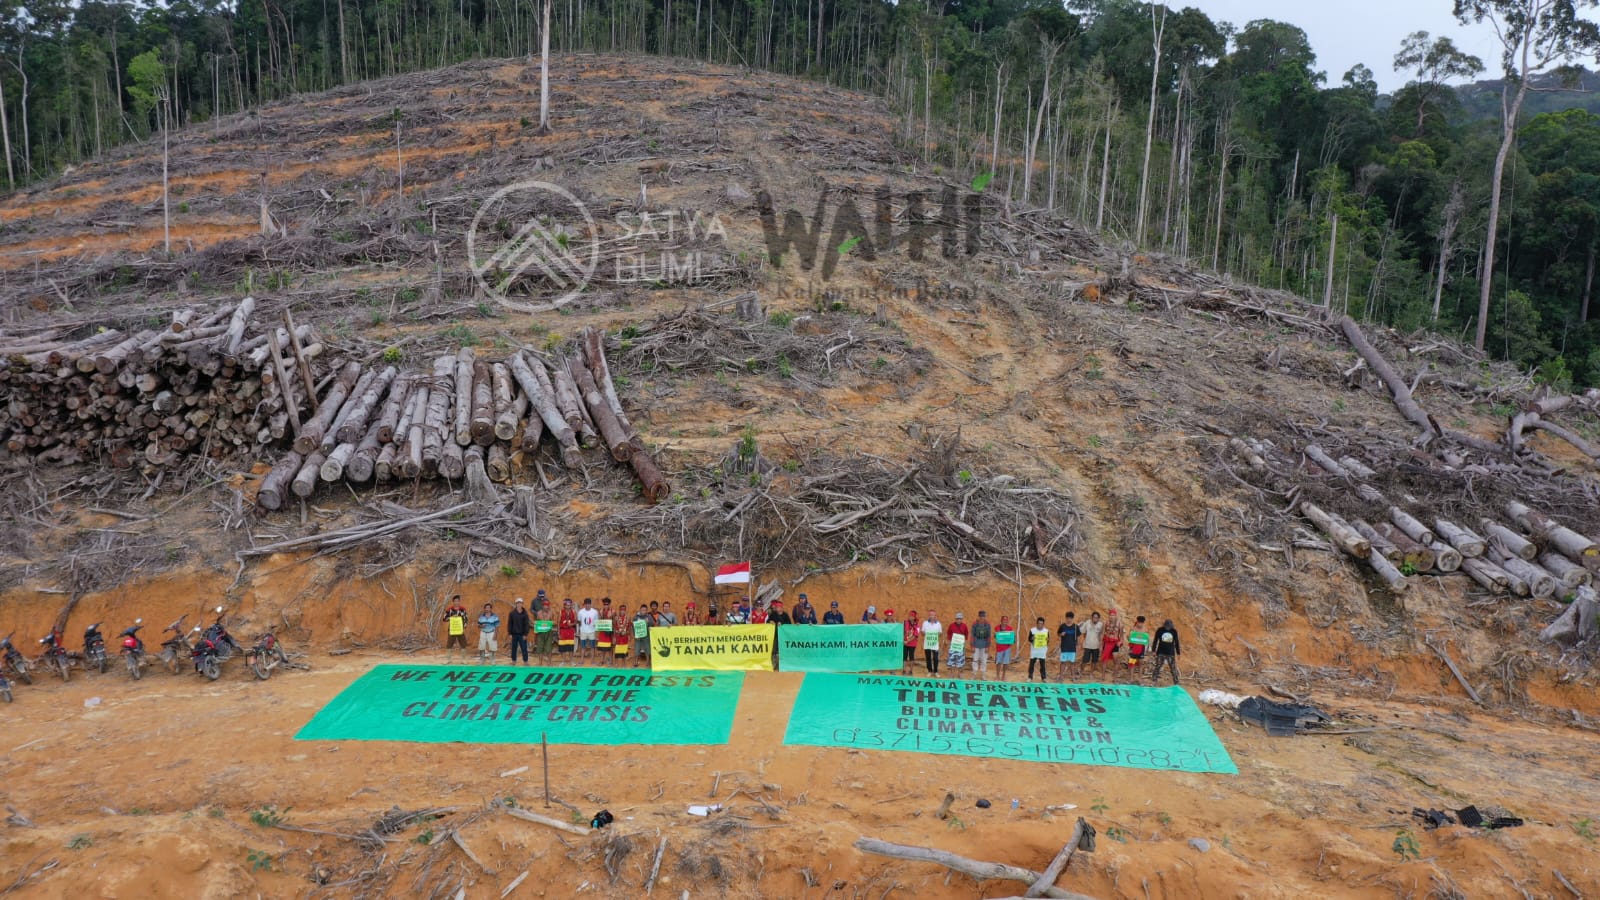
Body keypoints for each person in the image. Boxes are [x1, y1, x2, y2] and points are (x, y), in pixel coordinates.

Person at [1151, 618, 1181, 685]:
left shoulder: (1174, 631)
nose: (1168, 628)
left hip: (1170, 652)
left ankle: (1176, 682)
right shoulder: (1160, 630)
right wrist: (1153, 650)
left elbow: (1176, 642)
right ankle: (1153, 680)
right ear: (1164, 625)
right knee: (1158, 666)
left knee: (1173, 668)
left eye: (1169, 627)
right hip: (1160, 652)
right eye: (1167, 626)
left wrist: (1178, 653)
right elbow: (1155, 640)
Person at [443, 595, 469, 664]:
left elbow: (466, 619)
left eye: (458, 601)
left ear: (459, 601)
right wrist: (451, 618)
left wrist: (464, 627)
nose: (456, 602)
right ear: (453, 602)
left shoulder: (463, 609)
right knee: (449, 644)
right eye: (455, 601)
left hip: (460, 629)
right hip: (452, 629)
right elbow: (444, 619)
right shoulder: (449, 609)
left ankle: (463, 660)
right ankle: (448, 659)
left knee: (463, 644)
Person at [506, 597, 531, 666]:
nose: (519, 604)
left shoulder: (525, 614)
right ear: (516, 604)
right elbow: (510, 623)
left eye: (520, 603)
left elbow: (526, 624)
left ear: (522, 604)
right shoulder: (512, 613)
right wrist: (510, 633)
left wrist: (525, 634)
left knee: (524, 648)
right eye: (518, 603)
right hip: (514, 634)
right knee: (514, 648)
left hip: (522, 634)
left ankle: (525, 661)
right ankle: (513, 661)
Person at [970, 611, 993, 679]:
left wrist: (987, 646)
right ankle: (974, 674)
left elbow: (989, 636)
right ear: (979, 616)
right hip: (976, 644)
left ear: (985, 616)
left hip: (984, 645)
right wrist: (972, 646)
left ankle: (983, 675)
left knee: (984, 661)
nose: (982, 618)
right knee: (975, 660)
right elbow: (972, 635)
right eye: (981, 616)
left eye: (983, 616)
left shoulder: (987, 624)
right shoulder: (975, 624)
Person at [1056, 612, 1080, 680]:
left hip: (1072, 647)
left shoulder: (1075, 627)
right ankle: (1061, 676)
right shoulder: (1062, 626)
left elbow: (1077, 637)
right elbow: (1058, 634)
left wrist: (1077, 646)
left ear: (1072, 619)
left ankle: (1073, 677)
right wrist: (1061, 634)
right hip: (1064, 647)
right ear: (1066, 618)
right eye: (1067, 618)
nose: (1069, 620)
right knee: (1063, 662)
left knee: (1072, 663)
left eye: (1070, 618)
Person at [920, 608, 943, 677]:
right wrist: (924, 633)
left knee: (936, 658)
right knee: (928, 658)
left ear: (935, 616)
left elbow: (940, 633)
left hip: (935, 644)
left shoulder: (938, 624)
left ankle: (936, 671)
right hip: (927, 644)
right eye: (930, 615)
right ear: (929, 615)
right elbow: (922, 632)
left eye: (933, 615)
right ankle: (929, 671)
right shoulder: (925, 623)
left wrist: (937, 634)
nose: (932, 616)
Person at [576, 598, 600, 663]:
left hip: (592, 631)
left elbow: (597, 621)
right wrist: (581, 628)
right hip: (583, 631)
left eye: (588, 604)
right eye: (586, 604)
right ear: (584, 604)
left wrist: (596, 630)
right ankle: (581, 660)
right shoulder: (580, 612)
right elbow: (579, 621)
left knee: (592, 647)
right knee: (583, 646)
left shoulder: (595, 612)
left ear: (590, 604)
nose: (587, 605)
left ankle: (592, 660)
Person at [946, 611, 970, 676]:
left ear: (962, 619)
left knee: (960, 660)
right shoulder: (951, 625)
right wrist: (949, 642)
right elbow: (948, 633)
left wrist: (965, 643)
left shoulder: (964, 626)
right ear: (955, 619)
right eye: (957, 619)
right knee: (952, 659)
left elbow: (966, 634)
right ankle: (952, 673)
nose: (959, 620)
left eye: (960, 619)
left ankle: (960, 673)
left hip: (960, 646)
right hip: (953, 645)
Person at [533, 595, 556, 661]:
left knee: (549, 647)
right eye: (545, 605)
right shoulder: (539, 613)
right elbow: (536, 622)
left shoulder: (551, 613)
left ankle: (549, 662)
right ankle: (540, 662)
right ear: (542, 606)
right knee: (540, 647)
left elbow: (555, 622)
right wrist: (536, 624)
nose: (546, 606)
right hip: (540, 633)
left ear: (549, 606)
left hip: (548, 632)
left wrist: (550, 623)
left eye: (547, 605)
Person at [1027, 616, 1050, 681]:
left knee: (1042, 665)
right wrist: (1032, 638)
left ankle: (1043, 678)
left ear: (1043, 624)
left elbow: (1048, 640)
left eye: (1042, 624)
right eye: (1039, 623)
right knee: (1031, 664)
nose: (1040, 625)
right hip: (1034, 650)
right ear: (1036, 623)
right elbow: (1029, 639)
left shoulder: (1046, 631)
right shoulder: (1032, 630)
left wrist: (1047, 640)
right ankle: (1030, 677)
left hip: (1042, 650)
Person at [994, 616, 1016, 681]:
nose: (1005, 621)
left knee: (1005, 663)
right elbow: (996, 637)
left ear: (1007, 621)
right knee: (998, 662)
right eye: (1004, 619)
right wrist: (995, 635)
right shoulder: (997, 628)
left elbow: (1013, 640)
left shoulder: (1010, 628)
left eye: (1006, 620)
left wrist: (1014, 637)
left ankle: (1003, 676)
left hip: (1007, 648)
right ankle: (997, 676)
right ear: (1001, 620)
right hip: (999, 648)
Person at [901, 610, 920, 676]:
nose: (911, 617)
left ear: (914, 617)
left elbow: (915, 635)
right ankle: (904, 670)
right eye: (910, 616)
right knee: (904, 657)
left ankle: (911, 670)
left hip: (912, 644)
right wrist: (903, 640)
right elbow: (902, 631)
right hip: (905, 643)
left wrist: (908, 641)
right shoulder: (905, 622)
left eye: (912, 616)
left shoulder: (917, 625)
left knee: (911, 657)